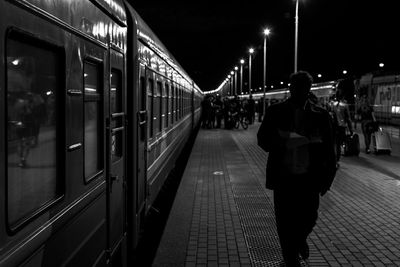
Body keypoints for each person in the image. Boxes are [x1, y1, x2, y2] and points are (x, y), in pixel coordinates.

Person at [257, 71, 337, 266]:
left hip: (309, 177)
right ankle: (291, 259)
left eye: (304, 88)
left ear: (308, 89)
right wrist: (283, 141)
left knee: (310, 216)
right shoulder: (276, 112)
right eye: (296, 88)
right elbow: (262, 139)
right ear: (291, 88)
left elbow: (330, 149)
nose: (300, 92)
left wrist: (328, 178)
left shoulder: (321, 115)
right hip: (284, 176)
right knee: (284, 222)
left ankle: (300, 239)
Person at [330, 86, 353, 161]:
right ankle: (337, 159)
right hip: (341, 127)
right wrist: (351, 129)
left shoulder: (332, 104)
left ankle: (335, 157)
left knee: (335, 143)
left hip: (333, 127)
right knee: (339, 143)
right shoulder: (345, 105)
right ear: (343, 96)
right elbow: (348, 118)